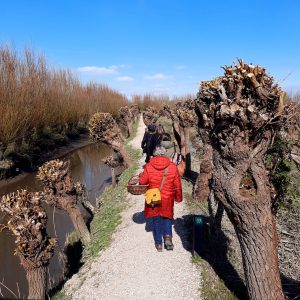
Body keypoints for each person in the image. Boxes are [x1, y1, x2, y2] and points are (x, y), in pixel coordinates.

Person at [139, 146, 182, 252]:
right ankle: (168, 238)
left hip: (154, 198)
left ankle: (158, 244)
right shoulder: (172, 166)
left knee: (156, 219)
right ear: (165, 154)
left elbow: (142, 182)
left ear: (155, 154)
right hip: (168, 197)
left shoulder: (149, 166)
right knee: (167, 217)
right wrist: (178, 198)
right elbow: (177, 184)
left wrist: (141, 175)